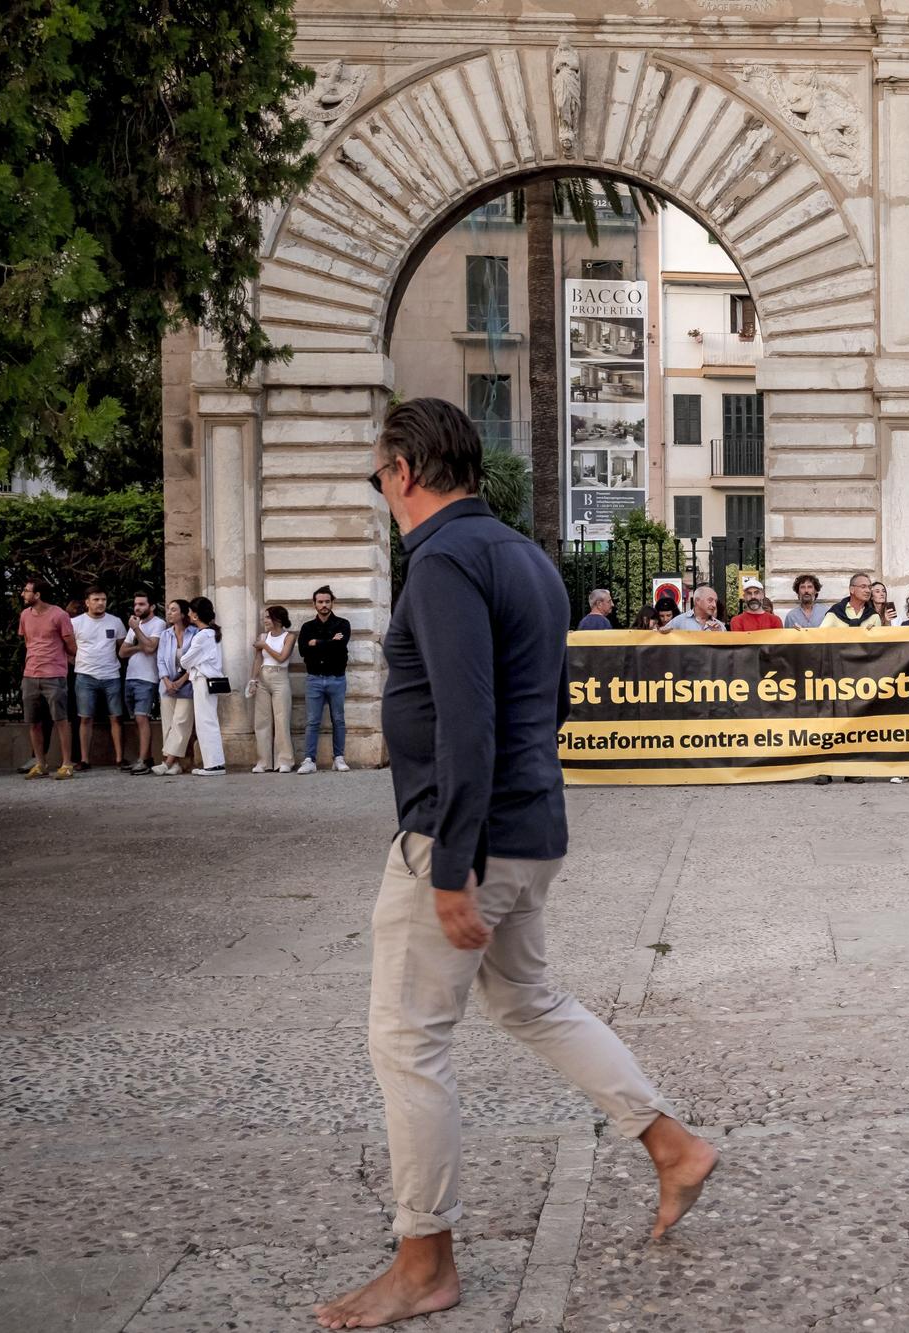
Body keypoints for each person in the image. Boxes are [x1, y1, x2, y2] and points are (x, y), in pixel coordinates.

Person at [313, 398, 716, 1331]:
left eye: (379, 474)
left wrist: (450, 863)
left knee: (409, 1040)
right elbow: (553, 702)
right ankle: (673, 1144)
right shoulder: (527, 556)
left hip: (468, 840)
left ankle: (424, 1264)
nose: (380, 490)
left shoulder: (444, 558)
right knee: (529, 1000)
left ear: (405, 471)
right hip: (532, 826)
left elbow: (467, 718)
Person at [18, 578, 77, 779]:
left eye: (26, 591)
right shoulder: (25, 615)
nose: (23, 594)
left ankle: (67, 763)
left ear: (38, 595)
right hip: (30, 674)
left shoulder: (59, 615)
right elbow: (28, 640)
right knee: (33, 722)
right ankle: (41, 763)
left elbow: (71, 646)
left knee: (61, 719)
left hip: (54, 674)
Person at [69, 586, 128, 772]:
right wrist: (78, 662)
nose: (100, 603)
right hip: (85, 676)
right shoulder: (76, 623)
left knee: (116, 718)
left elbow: (122, 648)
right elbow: (68, 648)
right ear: (87, 602)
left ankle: (120, 759)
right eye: (96, 599)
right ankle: (84, 760)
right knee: (85, 718)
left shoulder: (116, 622)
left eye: (103, 599)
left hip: (111, 675)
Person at [298, 585, 353, 774]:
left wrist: (317, 643)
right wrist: (330, 642)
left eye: (327, 601)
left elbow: (340, 648)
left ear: (332, 603)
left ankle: (339, 758)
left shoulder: (343, 624)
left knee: (338, 720)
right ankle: (309, 760)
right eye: (320, 602)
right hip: (314, 679)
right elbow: (303, 651)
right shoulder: (307, 627)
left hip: (337, 679)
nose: (324, 605)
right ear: (314, 604)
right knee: (313, 721)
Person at [179, 598, 226, 776]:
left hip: (203, 680)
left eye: (191, 611)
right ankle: (214, 762)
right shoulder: (211, 634)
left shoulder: (202, 636)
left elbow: (185, 661)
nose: (189, 614)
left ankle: (214, 764)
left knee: (205, 721)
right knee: (208, 720)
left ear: (196, 614)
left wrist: (191, 663)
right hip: (207, 680)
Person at [119, 591, 164, 774]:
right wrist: (139, 646)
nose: (137, 607)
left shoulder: (158, 624)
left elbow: (152, 647)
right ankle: (146, 757)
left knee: (141, 717)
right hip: (131, 676)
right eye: (136, 604)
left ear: (151, 606)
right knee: (137, 720)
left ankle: (143, 760)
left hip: (147, 677)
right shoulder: (134, 625)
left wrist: (137, 631)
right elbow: (122, 652)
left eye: (142, 604)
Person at [250, 606, 297, 774]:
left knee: (281, 719)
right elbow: (257, 659)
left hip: (280, 678)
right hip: (262, 677)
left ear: (278, 619)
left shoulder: (289, 637)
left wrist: (265, 646)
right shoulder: (263, 636)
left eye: (268, 617)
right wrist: (253, 680)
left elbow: (282, 657)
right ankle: (263, 762)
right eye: (265, 617)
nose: (265, 621)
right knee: (261, 721)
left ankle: (284, 760)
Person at [155, 598, 198, 777]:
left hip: (187, 684)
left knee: (181, 723)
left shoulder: (195, 633)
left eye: (173, 610)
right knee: (168, 725)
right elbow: (161, 659)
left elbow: (195, 660)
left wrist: (181, 681)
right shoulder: (166, 634)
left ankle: (167, 762)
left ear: (182, 613)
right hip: (167, 685)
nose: (169, 612)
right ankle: (176, 765)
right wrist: (166, 680)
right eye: (168, 609)